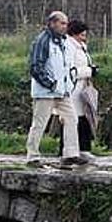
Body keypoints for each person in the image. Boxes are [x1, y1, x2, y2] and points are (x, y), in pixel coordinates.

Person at [25, 11, 87, 166]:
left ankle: (70, 154)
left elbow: (67, 66)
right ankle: (32, 156)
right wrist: (50, 83)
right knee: (40, 123)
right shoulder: (43, 41)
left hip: (62, 91)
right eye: (62, 23)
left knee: (71, 119)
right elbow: (35, 66)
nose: (65, 26)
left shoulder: (64, 42)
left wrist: (68, 85)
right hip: (46, 91)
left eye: (66, 23)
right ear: (52, 23)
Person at [58, 19, 98, 160]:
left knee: (85, 118)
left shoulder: (81, 47)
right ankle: (67, 149)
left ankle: (84, 148)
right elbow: (70, 70)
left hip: (83, 89)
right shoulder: (68, 47)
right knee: (71, 119)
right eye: (82, 35)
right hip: (73, 89)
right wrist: (88, 71)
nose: (84, 38)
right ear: (74, 34)